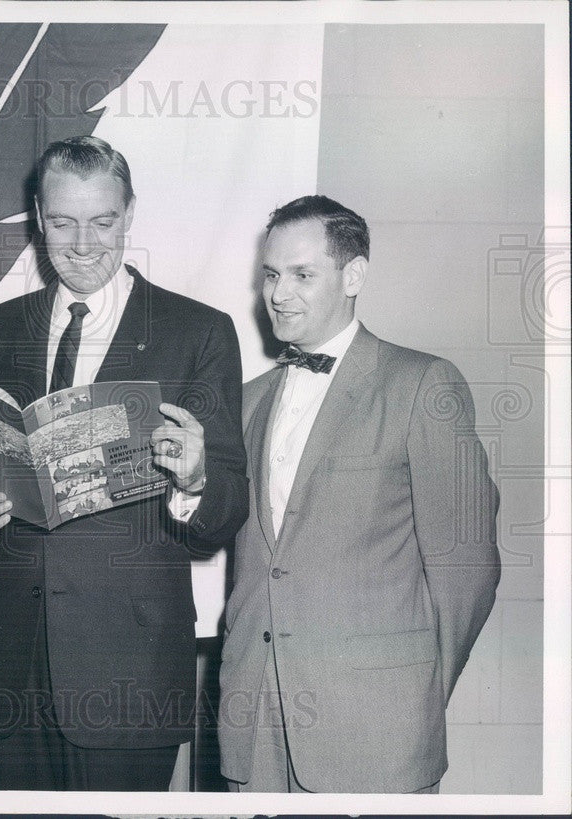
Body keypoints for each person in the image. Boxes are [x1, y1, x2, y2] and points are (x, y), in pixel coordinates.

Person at [0, 135, 249, 790]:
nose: (82, 244)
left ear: (130, 212)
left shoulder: (198, 331)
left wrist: (194, 481)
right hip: (3, 668)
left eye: (102, 221)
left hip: (127, 672)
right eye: (62, 221)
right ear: (36, 214)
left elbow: (224, 512)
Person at [217, 195, 501, 793]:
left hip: (377, 735)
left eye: (301, 274)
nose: (278, 294)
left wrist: (410, 692)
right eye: (271, 275)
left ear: (354, 276)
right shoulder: (246, 401)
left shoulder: (423, 384)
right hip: (256, 731)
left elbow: (467, 566)